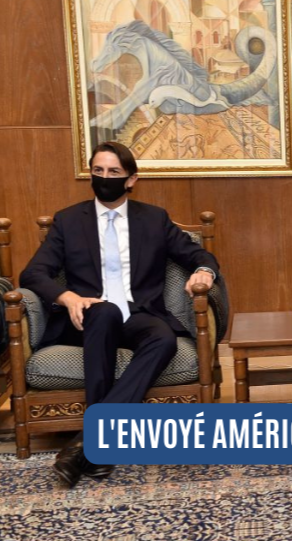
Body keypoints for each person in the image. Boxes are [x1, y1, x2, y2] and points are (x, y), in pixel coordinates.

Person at [20, 141, 220, 487]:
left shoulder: (154, 219)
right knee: (105, 312)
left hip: (139, 313)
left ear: (131, 179)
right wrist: (68, 297)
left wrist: (204, 272)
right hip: (89, 317)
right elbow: (33, 273)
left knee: (163, 338)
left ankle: (92, 441)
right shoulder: (69, 220)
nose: (104, 177)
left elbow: (197, 255)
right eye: (98, 170)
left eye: (113, 172)